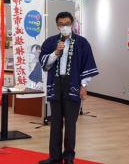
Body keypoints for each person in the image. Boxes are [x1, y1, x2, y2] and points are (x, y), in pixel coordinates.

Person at [39, 12, 99, 164]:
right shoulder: (50, 42)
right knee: (56, 123)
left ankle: (69, 157)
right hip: (56, 84)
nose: (64, 27)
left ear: (72, 24)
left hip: (73, 85)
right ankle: (54, 157)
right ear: (57, 25)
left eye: (67, 23)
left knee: (70, 124)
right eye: (61, 24)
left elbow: (88, 64)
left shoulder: (82, 43)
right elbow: (44, 64)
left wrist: (84, 86)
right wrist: (56, 52)